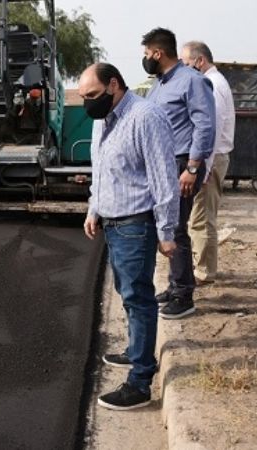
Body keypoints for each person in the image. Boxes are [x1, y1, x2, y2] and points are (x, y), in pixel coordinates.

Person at [79, 63, 180, 410]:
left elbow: (164, 177)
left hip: (136, 224)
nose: (87, 103)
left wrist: (166, 231)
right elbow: (102, 171)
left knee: (139, 298)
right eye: (82, 97)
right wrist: (94, 208)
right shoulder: (101, 120)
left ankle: (140, 382)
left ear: (113, 85)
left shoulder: (144, 117)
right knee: (127, 292)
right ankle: (134, 350)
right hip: (112, 221)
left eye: (91, 95)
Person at [142, 28, 216, 319]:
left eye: (147, 54)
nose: (145, 59)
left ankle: (184, 295)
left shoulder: (192, 81)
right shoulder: (159, 84)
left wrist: (192, 168)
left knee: (177, 228)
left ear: (158, 53)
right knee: (166, 225)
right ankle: (174, 285)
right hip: (162, 164)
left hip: (182, 164)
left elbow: (205, 126)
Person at [181, 41, 236, 284]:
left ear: (199, 60)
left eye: (186, 64)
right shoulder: (216, 82)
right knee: (203, 217)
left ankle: (203, 272)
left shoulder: (211, 85)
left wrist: (201, 170)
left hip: (211, 160)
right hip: (213, 159)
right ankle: (205, 268)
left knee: (201, 219)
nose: (185, 70)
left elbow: (210, 132)